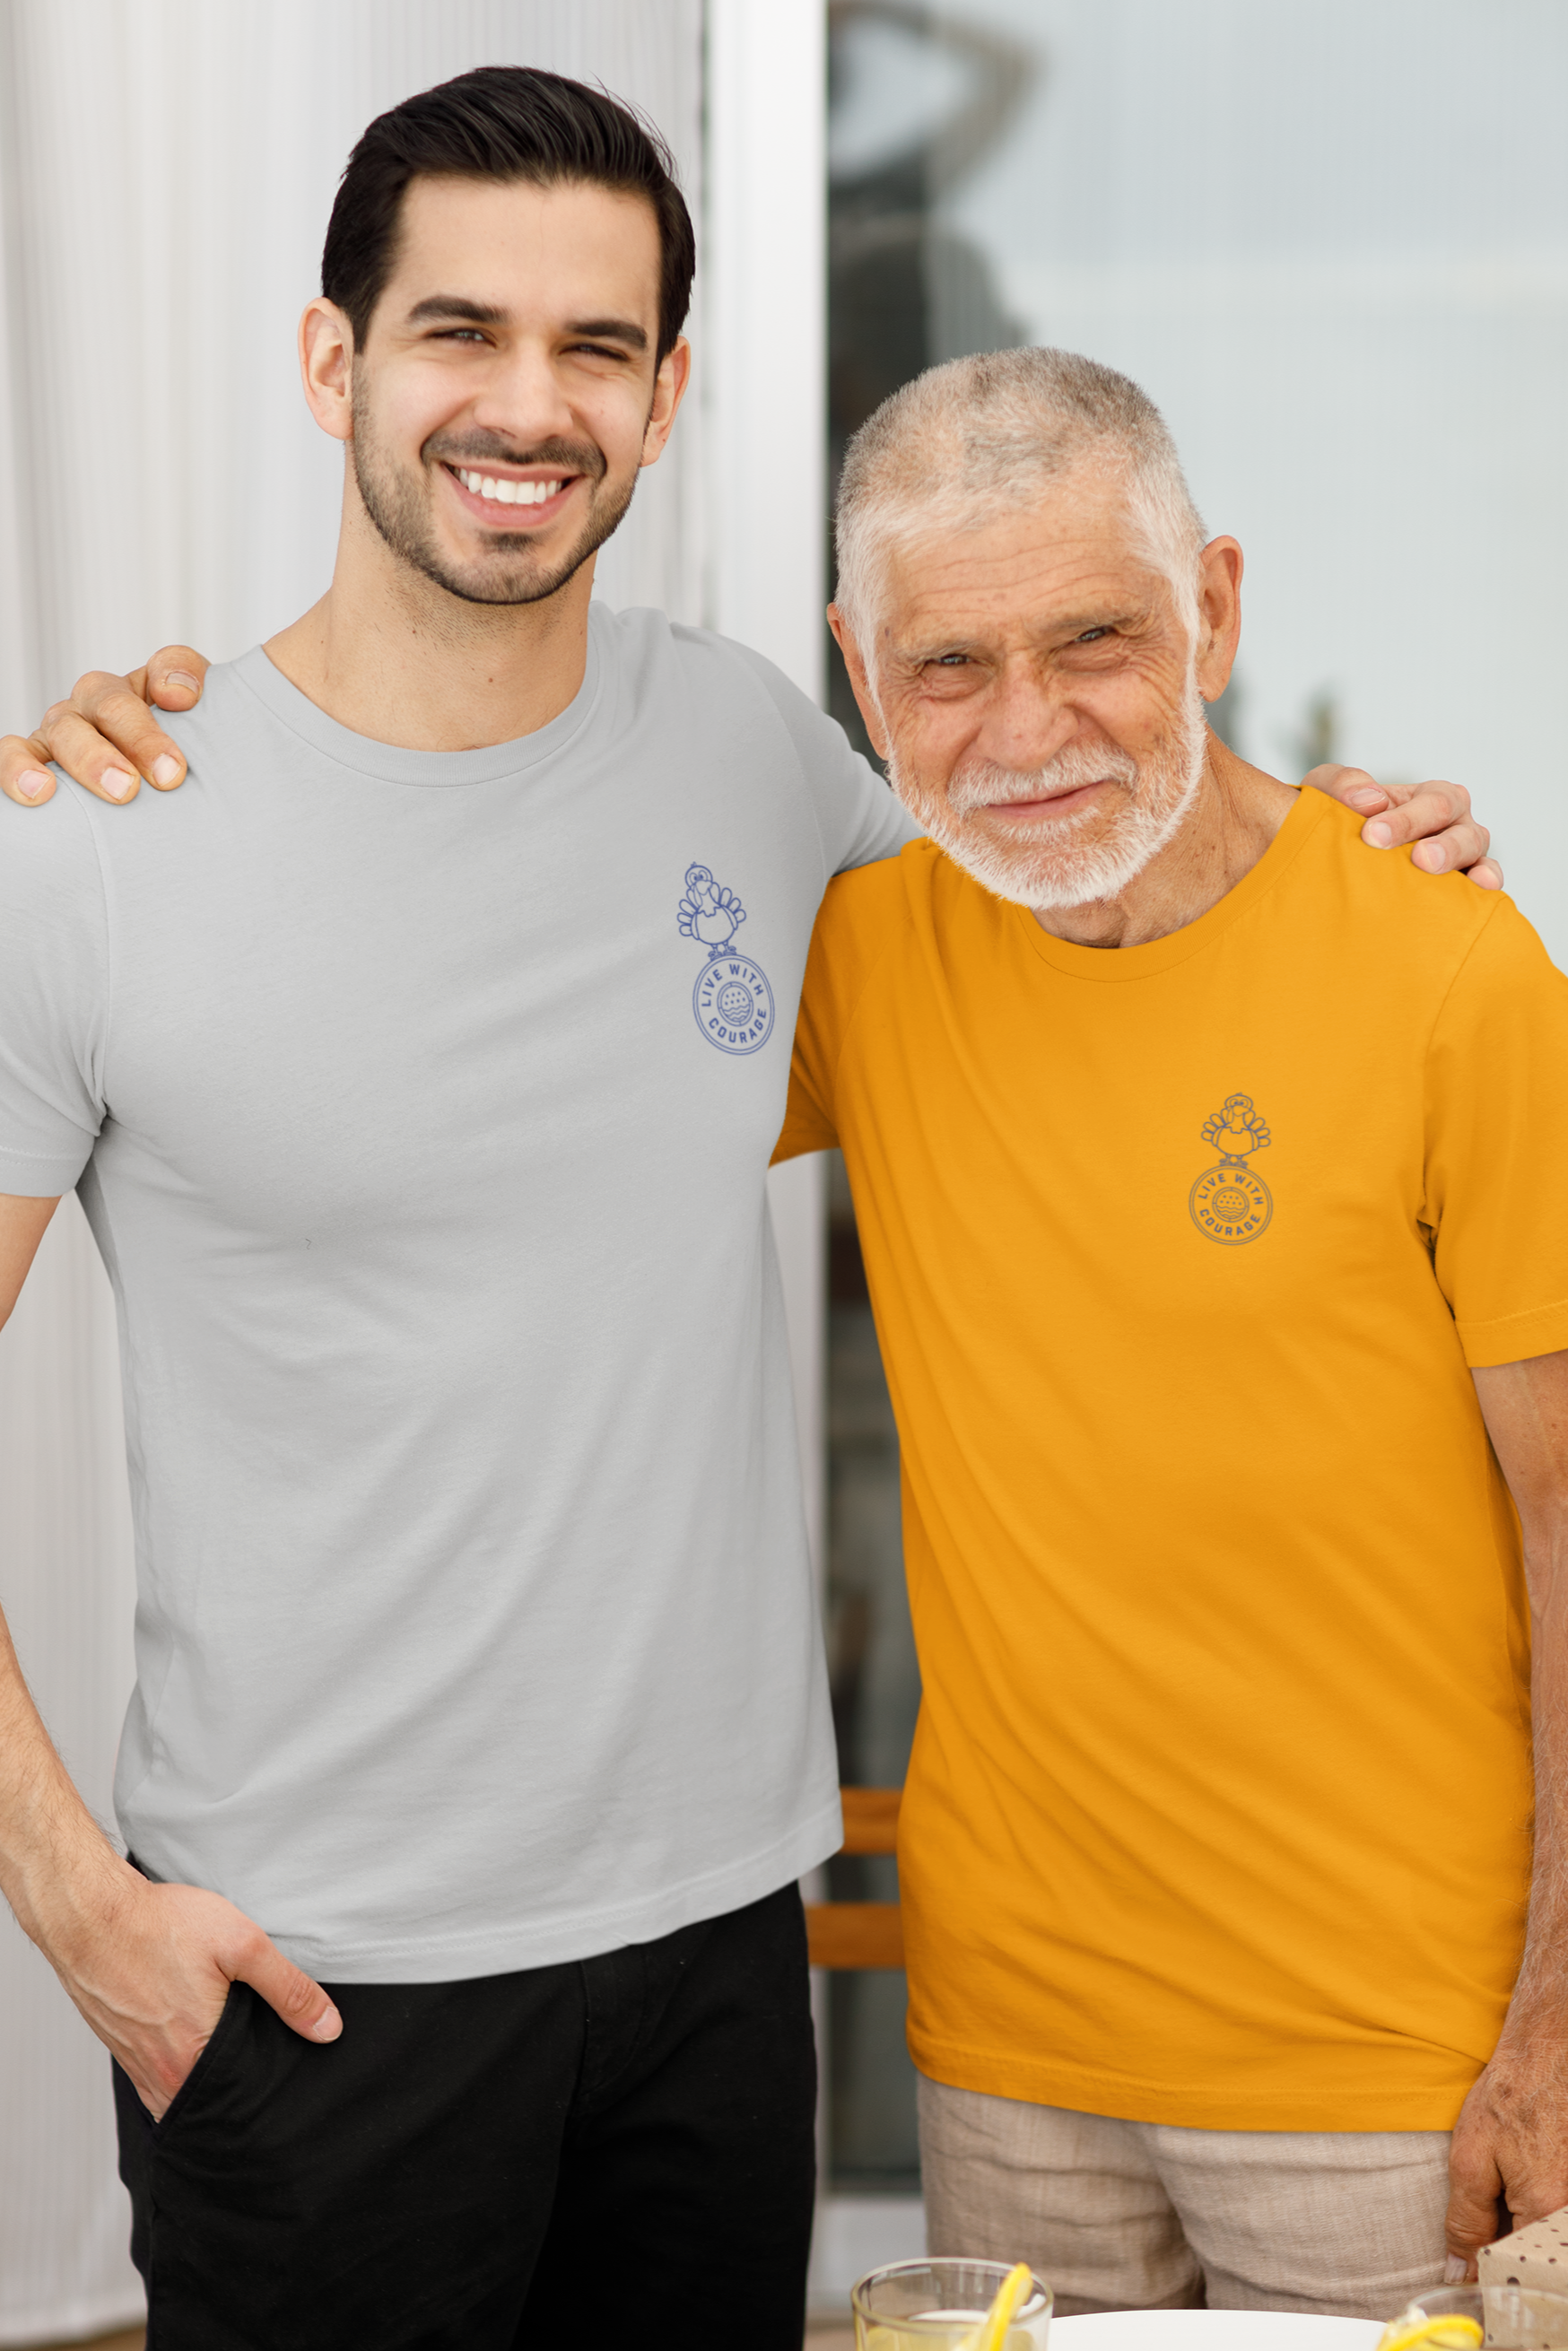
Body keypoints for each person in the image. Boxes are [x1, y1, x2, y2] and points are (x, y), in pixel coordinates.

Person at [0, 68, 1495, 2351]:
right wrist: (73, 1899)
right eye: (456, 332)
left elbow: (1092, 840)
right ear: (333, 363)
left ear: (670, 390)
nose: (528, 405)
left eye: (596, 347)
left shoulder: (766, 764)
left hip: (716, 1962)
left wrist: (1345, 838)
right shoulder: (96, 837)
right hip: (311, 1982)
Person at [771, 345, 1568, 2322]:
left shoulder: (1452, 970)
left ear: (1215, 605)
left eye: (1098, 636)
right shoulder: (856, 962)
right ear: (862, 678)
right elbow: (467, 1051)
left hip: (1394, 2065)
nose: (1028, 728)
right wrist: (173, 779)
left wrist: (1556, 2013)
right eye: (946, 665)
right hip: (1005, 2059)